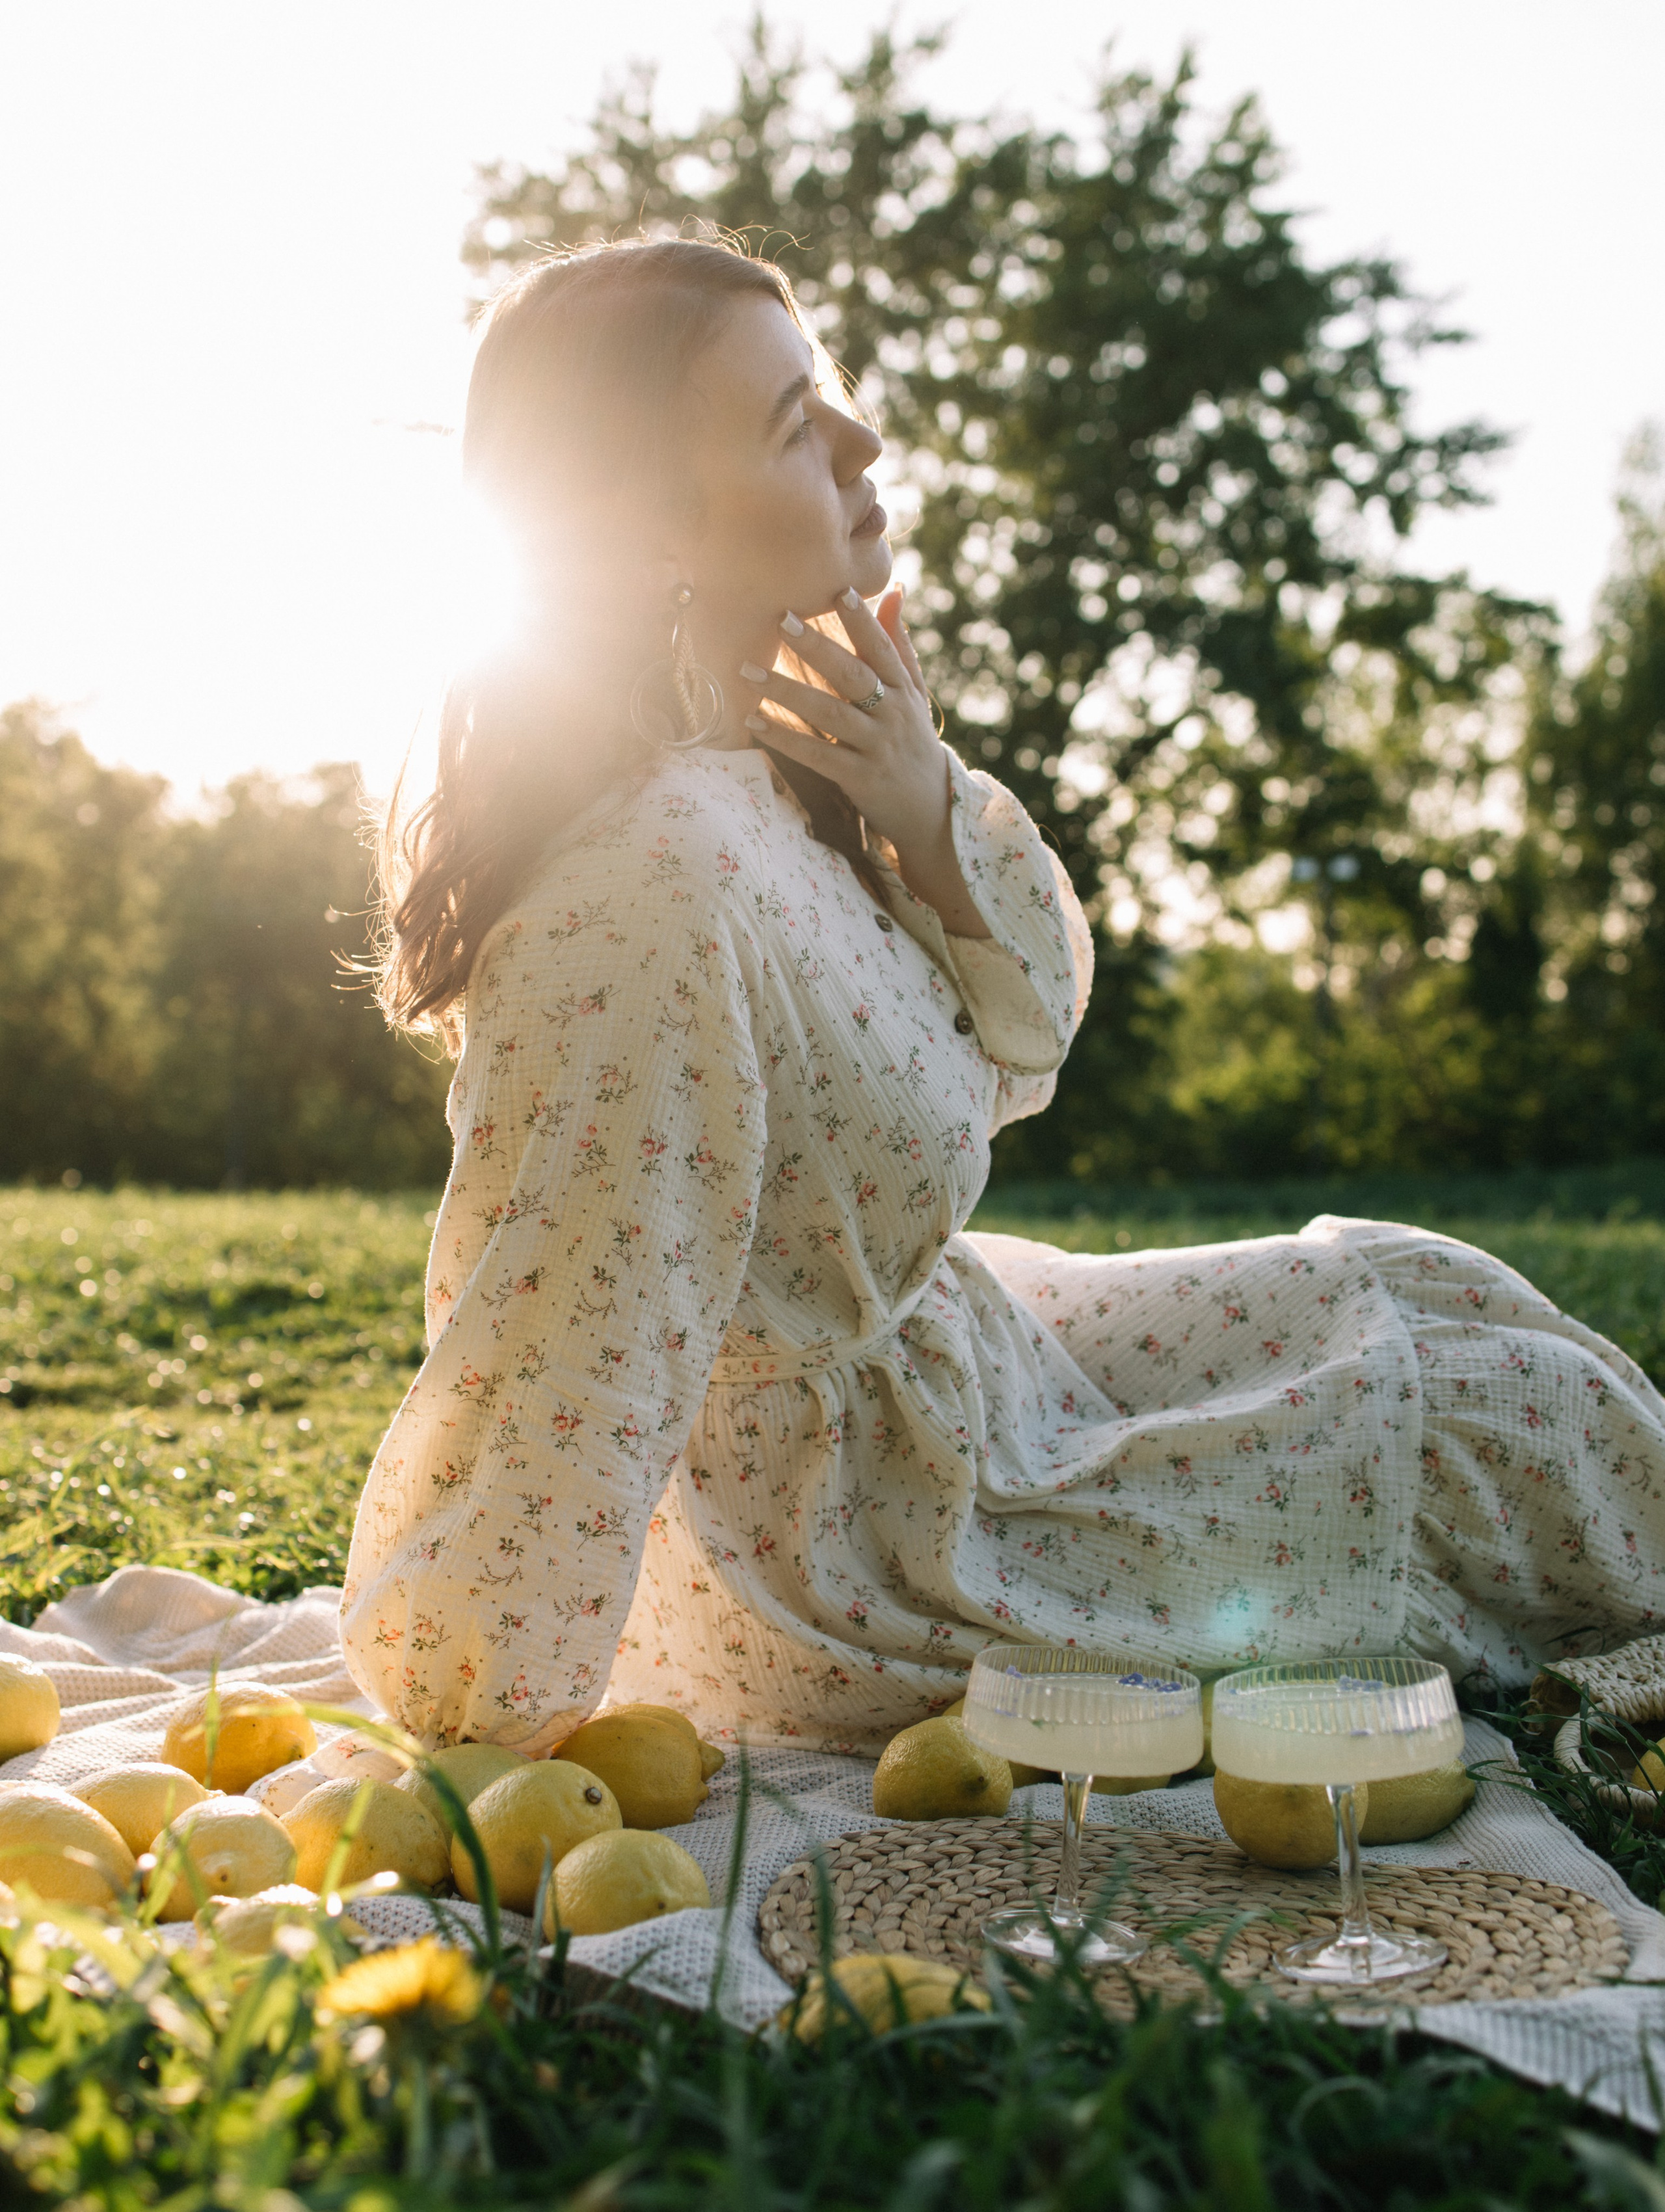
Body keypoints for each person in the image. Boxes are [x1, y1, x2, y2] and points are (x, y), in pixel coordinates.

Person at [340, 237, 1665, 1756]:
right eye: (793, 425)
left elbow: (1021, 1037)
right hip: (863, 1550)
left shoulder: (796, 763)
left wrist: (919, 817)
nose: (863, 441)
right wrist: (470, 1700)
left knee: (1409, 1301)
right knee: (1479, 1432)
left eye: (828, 392)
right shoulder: (643, 900)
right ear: (646, 538)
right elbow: (565, 1327)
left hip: (975, 1374)